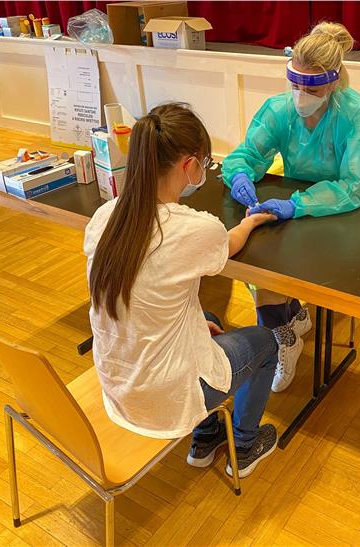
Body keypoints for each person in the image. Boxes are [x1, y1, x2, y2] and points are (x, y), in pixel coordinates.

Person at [84, 103, 280, 478]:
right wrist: (251, 222)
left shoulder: (105, 216)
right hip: (163, 395)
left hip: (118, 382)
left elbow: (143, 299)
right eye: (204, 163)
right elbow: (229, 243)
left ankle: (205, 438)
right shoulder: (193, 229)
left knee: (207, 317)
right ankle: (243, 446)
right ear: (189, 165)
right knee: (267, 343)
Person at [222, 22, 360, 392]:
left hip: (345, 209)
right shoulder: (279, 109)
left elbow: (355, 186)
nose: (301, 95)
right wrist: (240, 174)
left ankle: (285, 328)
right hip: (294, 200)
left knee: (284, 262)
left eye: (312, 88)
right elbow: (247, 153)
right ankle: (287, 326)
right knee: (255, 257)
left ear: (334, 82)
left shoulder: (354, 114)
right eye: (295, 84)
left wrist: (298, 205)